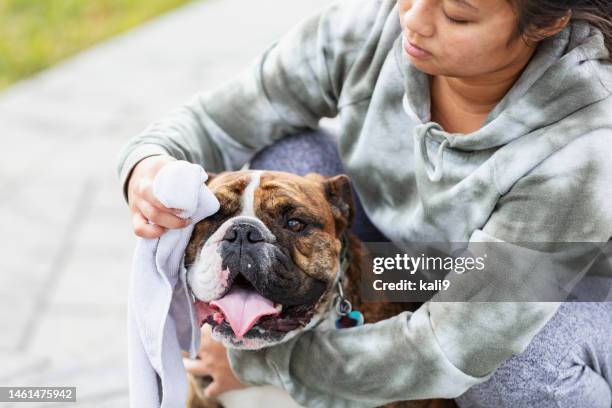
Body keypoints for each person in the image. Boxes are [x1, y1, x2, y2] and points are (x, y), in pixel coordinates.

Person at [116, 0, 612, 407]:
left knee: (516, 368)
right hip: (422, 265)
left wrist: (260, 364)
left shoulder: (586, 139)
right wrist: (147, 166)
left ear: (546, 23)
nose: (415, 19)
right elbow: (218, 121)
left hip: (561, 292)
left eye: (458, 14)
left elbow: (454, 344)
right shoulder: (372, 29)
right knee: (282, 164)